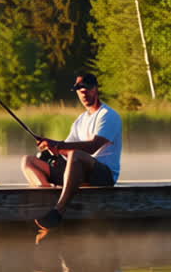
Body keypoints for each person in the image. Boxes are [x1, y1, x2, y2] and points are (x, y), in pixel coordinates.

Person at [20, 73, 122, 230]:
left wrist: (59, 145)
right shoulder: (81, 120)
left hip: (103, 174)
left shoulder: (108, 116)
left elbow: (92, 147)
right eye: (80, 91)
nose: (83, 94)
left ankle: (59, 211)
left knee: (76, 155)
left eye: (87, 89)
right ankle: (47, 205)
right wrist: (52, 147)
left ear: (96, 89)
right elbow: (65, 147)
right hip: (78, 171)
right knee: (28, 161)